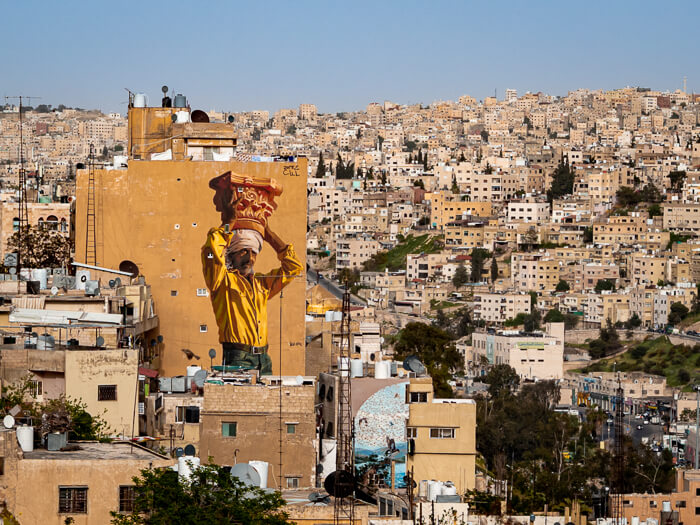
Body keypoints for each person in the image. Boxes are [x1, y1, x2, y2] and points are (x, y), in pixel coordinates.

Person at [201, 179, 302, 375]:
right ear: (231, 254)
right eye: (243, 252)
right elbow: (211, 249)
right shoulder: (222, 282)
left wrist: (267, 234)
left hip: (264, 358)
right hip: (238, 356)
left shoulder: (261, 286)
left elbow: (294, 267)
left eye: (253, 252)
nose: (250, 258)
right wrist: (229, 223)